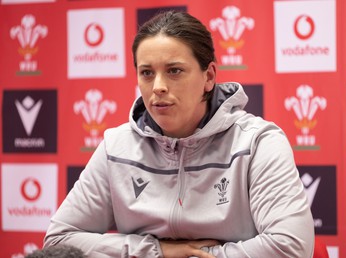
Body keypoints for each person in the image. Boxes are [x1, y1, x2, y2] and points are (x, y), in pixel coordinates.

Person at [44, 10, 314, 258]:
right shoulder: (116, 147)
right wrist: (157, 251)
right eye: (147, 73)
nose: (158, 87)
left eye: (174, 71)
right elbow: (59, 241)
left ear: (208, 77)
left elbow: (291, 246)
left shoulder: (257, 143)